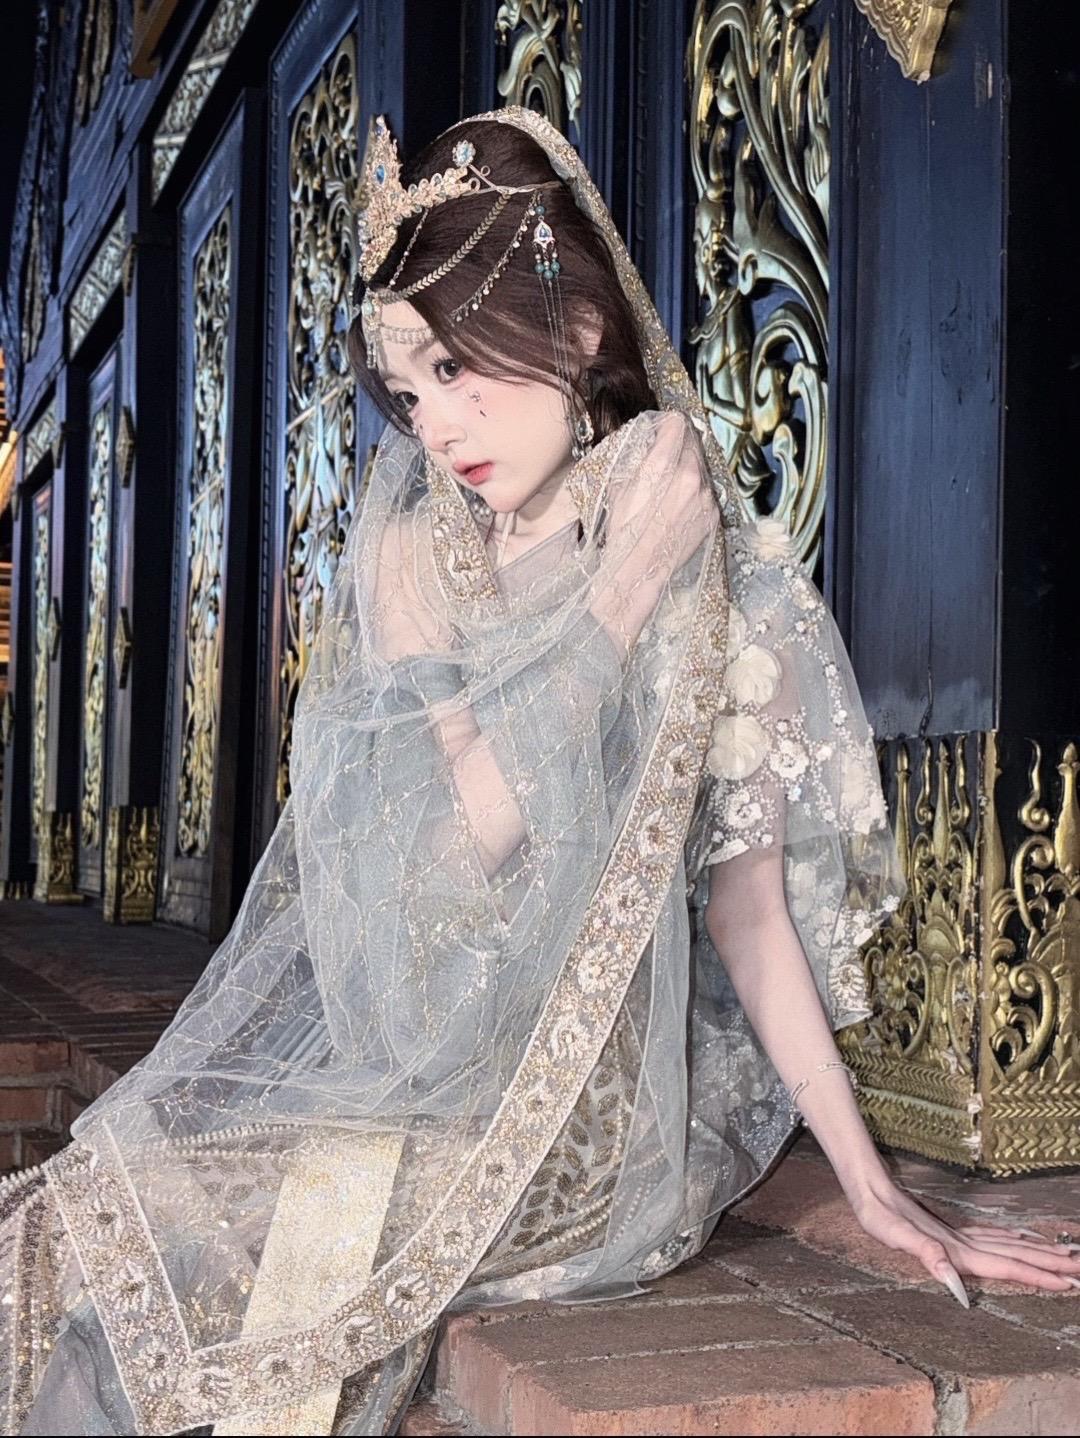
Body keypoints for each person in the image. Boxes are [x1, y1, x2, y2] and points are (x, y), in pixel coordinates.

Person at [1, 106, 1077, 1438]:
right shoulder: (420, 551)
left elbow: (748, 918)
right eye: (411, 392)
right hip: (416, 1069)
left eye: (460, 368)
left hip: (583, 1127)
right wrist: (616, 600)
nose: (437, 425)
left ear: (574, 330)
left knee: (183, 1263)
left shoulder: (722, 587)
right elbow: (456, 859)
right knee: (74, 1230)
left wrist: (870, 1184)